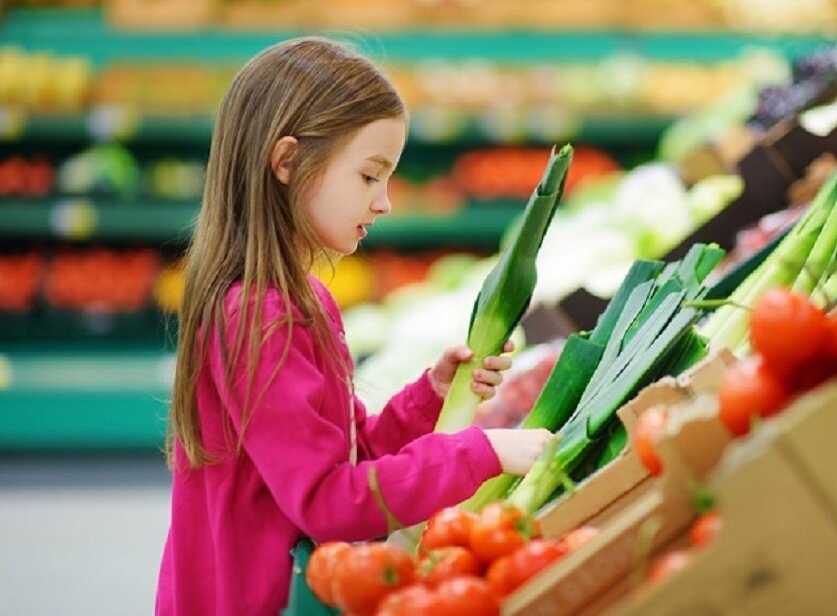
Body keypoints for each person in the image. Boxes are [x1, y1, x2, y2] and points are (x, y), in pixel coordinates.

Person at [155, 37, 554, 616]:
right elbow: (325, 500)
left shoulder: (303, 299)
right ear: (287, 162)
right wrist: (480, 452)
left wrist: (429, 399)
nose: (385, 201)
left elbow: (344, 457)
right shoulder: (259, 318)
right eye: (370, 177)